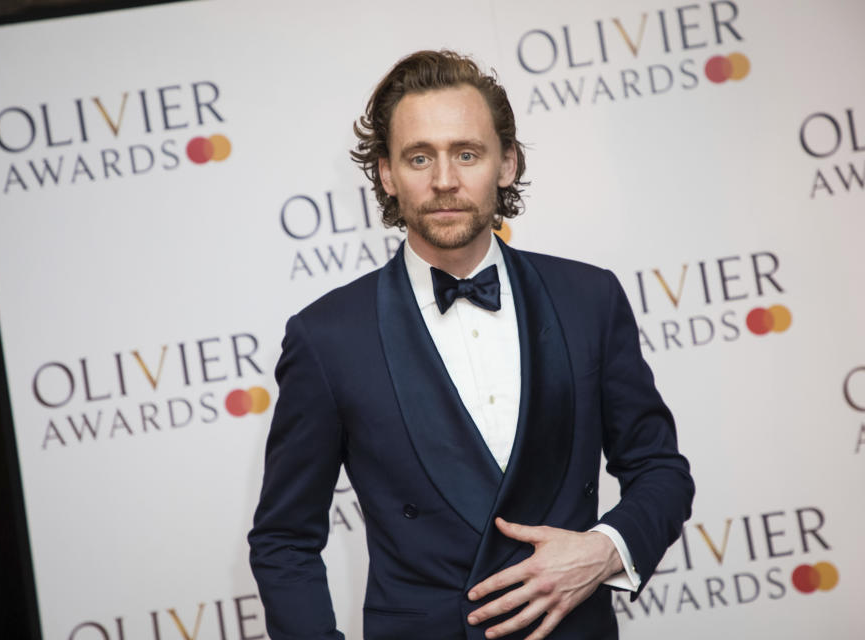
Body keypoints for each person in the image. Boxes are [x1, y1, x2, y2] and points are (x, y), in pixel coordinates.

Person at [248, 50, 693, 640]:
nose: (444, 180)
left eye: (466, 153)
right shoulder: (327, 338)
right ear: (386, 174)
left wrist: (605, 549)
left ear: (506, 163)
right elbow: (284, 539)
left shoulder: (589, 298)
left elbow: (661, 471)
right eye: (418, 157)